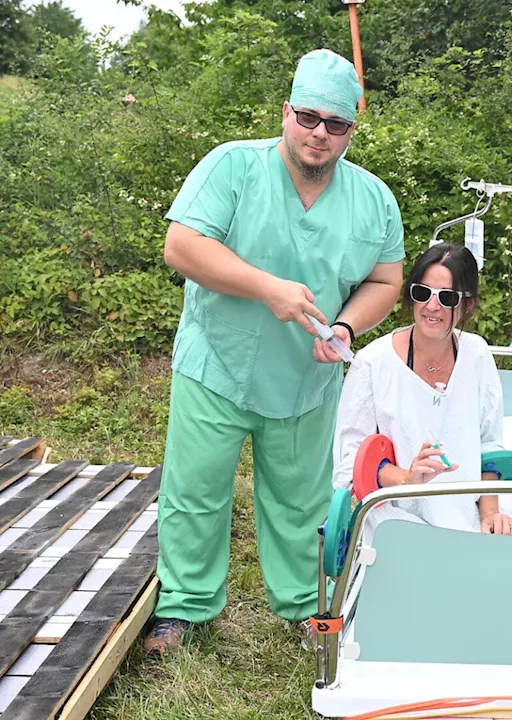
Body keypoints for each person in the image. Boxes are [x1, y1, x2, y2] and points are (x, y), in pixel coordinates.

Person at [146, 49, 406, 655]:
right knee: (196, 490)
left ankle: (304, 604)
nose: (319, 134)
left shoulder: (374, 199)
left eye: (336, 124)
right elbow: (182, 246)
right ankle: (183, 607)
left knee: (303, 501)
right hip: (219, 363)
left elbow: (386, 282)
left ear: (351, 130)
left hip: (307, 379)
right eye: (309, 117)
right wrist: (267, 287)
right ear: (286, 111)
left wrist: (344, 327)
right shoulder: (234, 166)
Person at [332, 243, 512, 535]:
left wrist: (491, 515)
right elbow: (352, 463)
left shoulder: (477, 355)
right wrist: (408, 478)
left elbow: (489, 446)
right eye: (422, 293)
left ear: (467, 304)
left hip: (464, 521)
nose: (432, 307)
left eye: (446, 298)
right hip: (391, 520)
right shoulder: (373, 363)